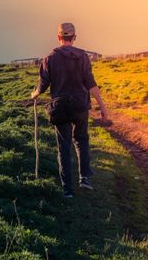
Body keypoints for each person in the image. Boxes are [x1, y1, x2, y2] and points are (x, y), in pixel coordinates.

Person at [31, 22, 108, 198]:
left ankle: (67, 190)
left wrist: (34, 94)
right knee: (81, 140)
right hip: (81, 106)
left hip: (60, 108)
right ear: (74, 38)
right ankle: (85, 178)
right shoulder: (83, 57)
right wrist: (102, 106)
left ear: (59, 38)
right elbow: (91, 83)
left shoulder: (49, 58)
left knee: (63, 146)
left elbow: (42, 85)